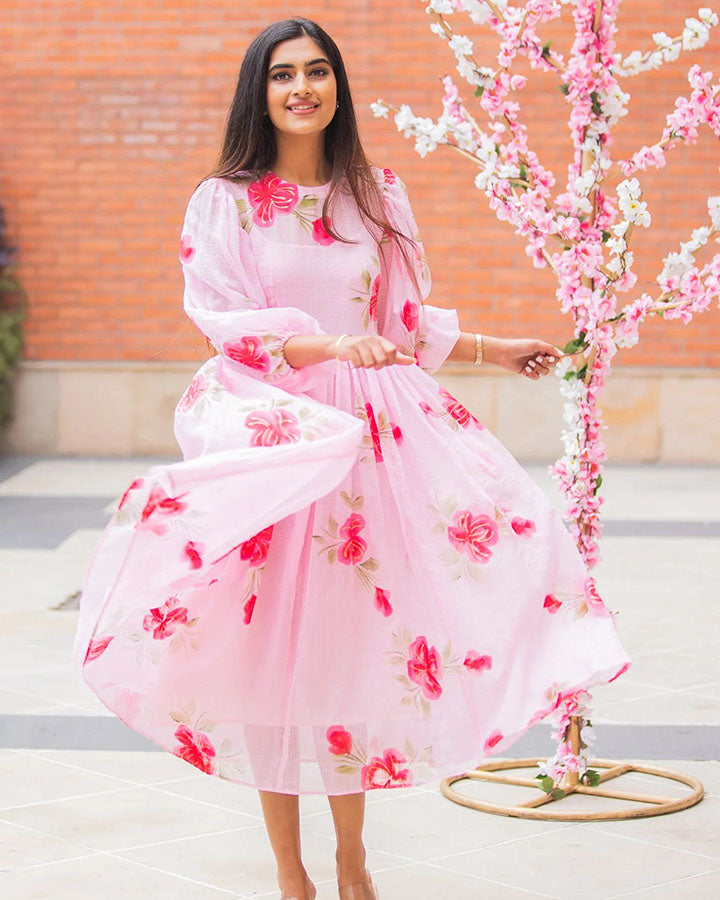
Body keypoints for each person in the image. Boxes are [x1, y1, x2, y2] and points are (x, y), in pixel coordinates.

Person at [73, 16, 632, 900]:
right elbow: (225, 324)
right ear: (260, 92)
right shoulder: (225, 201)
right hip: (281, 442)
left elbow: (402, 326)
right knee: (270, 657)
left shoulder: (376, 194)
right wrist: (325, 347)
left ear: (337, 87)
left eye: (318, 72)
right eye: (284, 75)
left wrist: (496, 349)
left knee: (348, 645)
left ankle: (352, 860)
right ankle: (292, 874)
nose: (303, 88)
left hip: (370, 445)